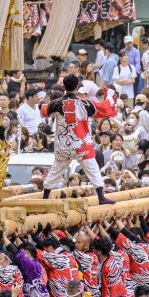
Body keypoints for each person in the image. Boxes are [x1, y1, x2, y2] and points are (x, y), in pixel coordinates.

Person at [39, 75, 114, 205]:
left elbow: (43, 111)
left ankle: (45, 197)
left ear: (64, 86)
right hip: (82, 145)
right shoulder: (85, 103)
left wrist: (43, 102)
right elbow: (105, 109)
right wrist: (109, 96)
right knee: (93, 169)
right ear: (77, 86)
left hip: (63, 145)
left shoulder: (56, 103)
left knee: (55, 171)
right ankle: (101, 197)